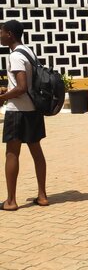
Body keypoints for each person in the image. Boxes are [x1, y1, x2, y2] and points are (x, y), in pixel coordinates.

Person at [0, 19, 48, 210]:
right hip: (34, 110)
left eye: (1, 32)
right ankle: (42, 196)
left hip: (17, 112)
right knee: (37, 152)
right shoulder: (28, 51)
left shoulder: (15, 56)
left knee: (12, 153)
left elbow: (21, 87)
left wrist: (2, 98)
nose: (0, 36)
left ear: (10, 34)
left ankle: (10, 201)